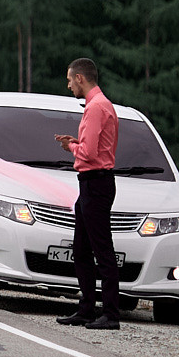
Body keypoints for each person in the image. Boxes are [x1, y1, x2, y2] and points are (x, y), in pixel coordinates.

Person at [52, 57, 121, 331]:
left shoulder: (96, 107)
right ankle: (87, 308)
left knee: (102, 251)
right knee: (81, 249)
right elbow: (94, 147)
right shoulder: (101, 105)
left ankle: (111, 314)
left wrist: (71, 148)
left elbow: (90, 154)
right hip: (92, 183)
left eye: (70, 80)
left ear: (81, 78)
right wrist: (76, 143)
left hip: (96, 182)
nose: (69, 85)